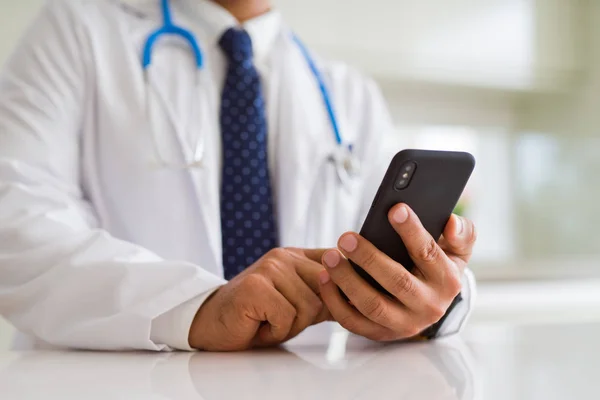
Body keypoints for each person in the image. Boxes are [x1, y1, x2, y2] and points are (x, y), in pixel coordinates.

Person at [0, 0, 477, 351]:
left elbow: (398, 270)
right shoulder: (74, 33)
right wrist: (196, 307)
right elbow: (18, 231)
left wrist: (430, 304)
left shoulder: (347, 93)